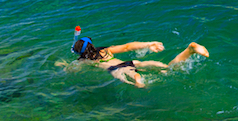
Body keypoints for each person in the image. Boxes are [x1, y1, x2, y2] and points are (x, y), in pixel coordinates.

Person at [72, 37, 209, 88]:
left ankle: (139, 80)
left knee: (137, 81)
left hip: (117, 69)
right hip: (131, 62)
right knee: (167, 68)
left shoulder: (84, 61)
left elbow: (71, 69)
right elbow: (127, 46)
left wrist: (63, 66)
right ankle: (190, 50)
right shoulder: (106, 51)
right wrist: (149, 44)